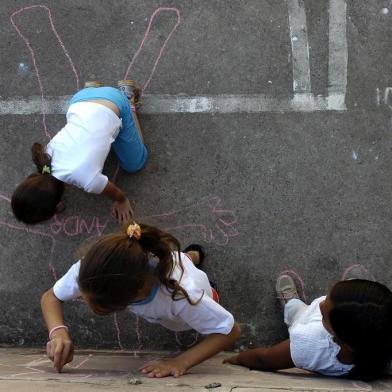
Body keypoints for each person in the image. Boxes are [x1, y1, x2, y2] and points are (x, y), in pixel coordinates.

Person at [41, 222, 240, 377]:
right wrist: (58, 333)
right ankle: (192, 255)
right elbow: (51, 297)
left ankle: (203, 274)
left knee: (206, 291)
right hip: (173, 261)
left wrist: (180, 362)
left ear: (133, 296)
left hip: (195, 290)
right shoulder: (93, 269)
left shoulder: (182, 296)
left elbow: (229, 330)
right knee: (180, 257)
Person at [11, 81, 147, 224]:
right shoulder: (45, 159)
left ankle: (128, 99)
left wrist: (122, 200)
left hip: (114, 101)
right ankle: (91, 88)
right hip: (79, 99)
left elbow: (115, 193)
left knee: (134, 164)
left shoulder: (89, 181)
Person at [224, 274, 392, 381]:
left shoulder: (308, 342)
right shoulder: (378, 340)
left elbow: (264, 359)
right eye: (327, 297)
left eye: (324, 314)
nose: (320, 303)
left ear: (344, 340)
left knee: (296, 311)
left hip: (305, 321)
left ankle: (289, 303)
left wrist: (238, 359)